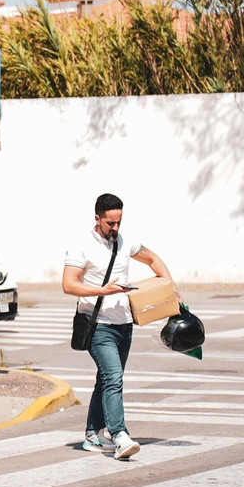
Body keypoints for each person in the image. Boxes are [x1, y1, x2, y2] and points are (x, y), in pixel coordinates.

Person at [62, 193, 178, 460]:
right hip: (98, 325)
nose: (115, 228)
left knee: (106, 381)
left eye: (119, 222)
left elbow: (152, 259)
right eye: (110, 223)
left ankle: (93, 435)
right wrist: (101, 290)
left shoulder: (125, 242)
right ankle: (120, 435)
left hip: (124, 324)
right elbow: (68, 284)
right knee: (113, 378)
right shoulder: (81, 246)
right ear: (97, 219)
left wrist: (170, 286)